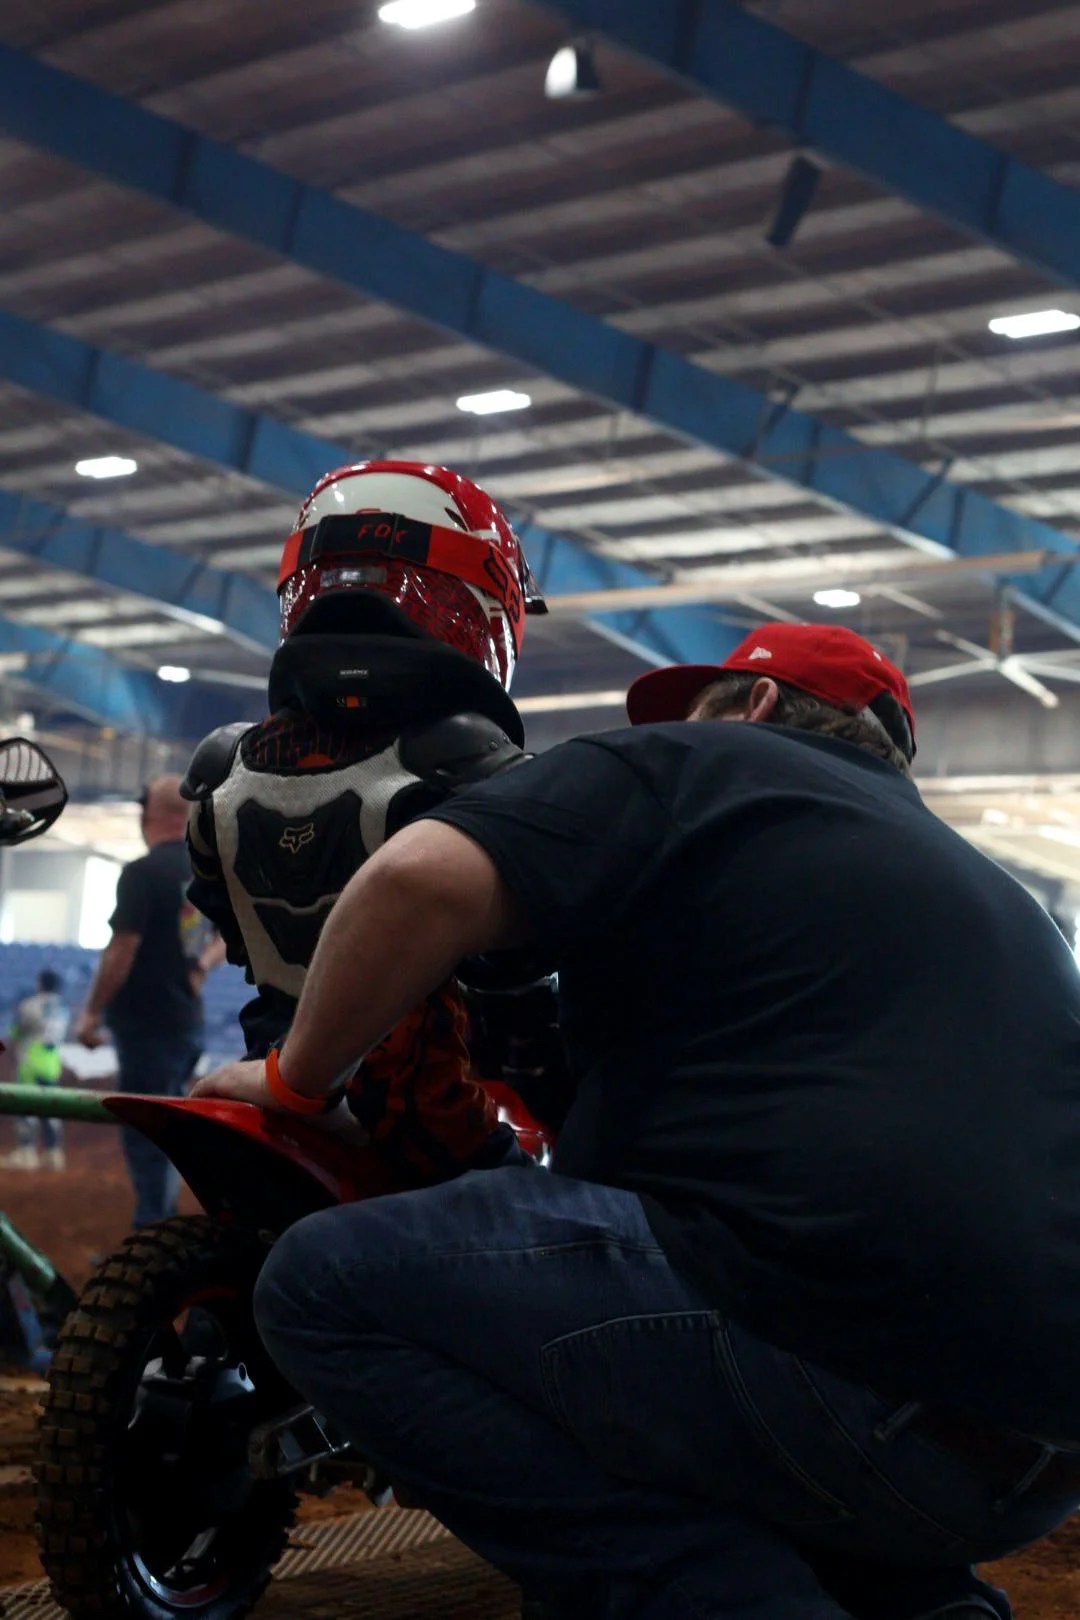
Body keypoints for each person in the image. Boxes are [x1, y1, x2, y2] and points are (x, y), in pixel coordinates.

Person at [190, 622, 1080, 1620]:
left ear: (755, 708)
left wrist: (301, 1079)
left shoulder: (701, 765)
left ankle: (720, 1602)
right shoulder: (990, 895)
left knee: (324, 1283)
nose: (672, 725)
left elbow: (416, 879)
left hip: (826, 1369)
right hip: (1021, 1465)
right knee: (756, 1366)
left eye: (700, 704)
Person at [182, 458, 551, 1186]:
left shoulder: (220, 771)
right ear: (481, 593)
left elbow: (239, 948)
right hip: (443, 1120)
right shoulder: (470, 764)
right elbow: (523, 967)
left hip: (283, 1076)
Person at [75, 776, 219, 1227]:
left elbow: (122, 950)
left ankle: (154, 1237)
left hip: (146, 1025)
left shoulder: (141, 873)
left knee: (147, 1137)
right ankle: (162, 1226)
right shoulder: (202, 875)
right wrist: (199, 967)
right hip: (186, 1022)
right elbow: (225, 941)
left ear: (147, 816)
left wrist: (92, 1011)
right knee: (172, 1130)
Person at [3, 967, 68, 1170]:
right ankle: (53, 1154)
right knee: (50, 1109)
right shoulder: (63, 1009)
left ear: (40, 983)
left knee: (25, 1107)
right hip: (52, 1065)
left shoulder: (30, 1005)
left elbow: (15, 1031)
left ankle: (26, 1153)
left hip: (31, 1062)